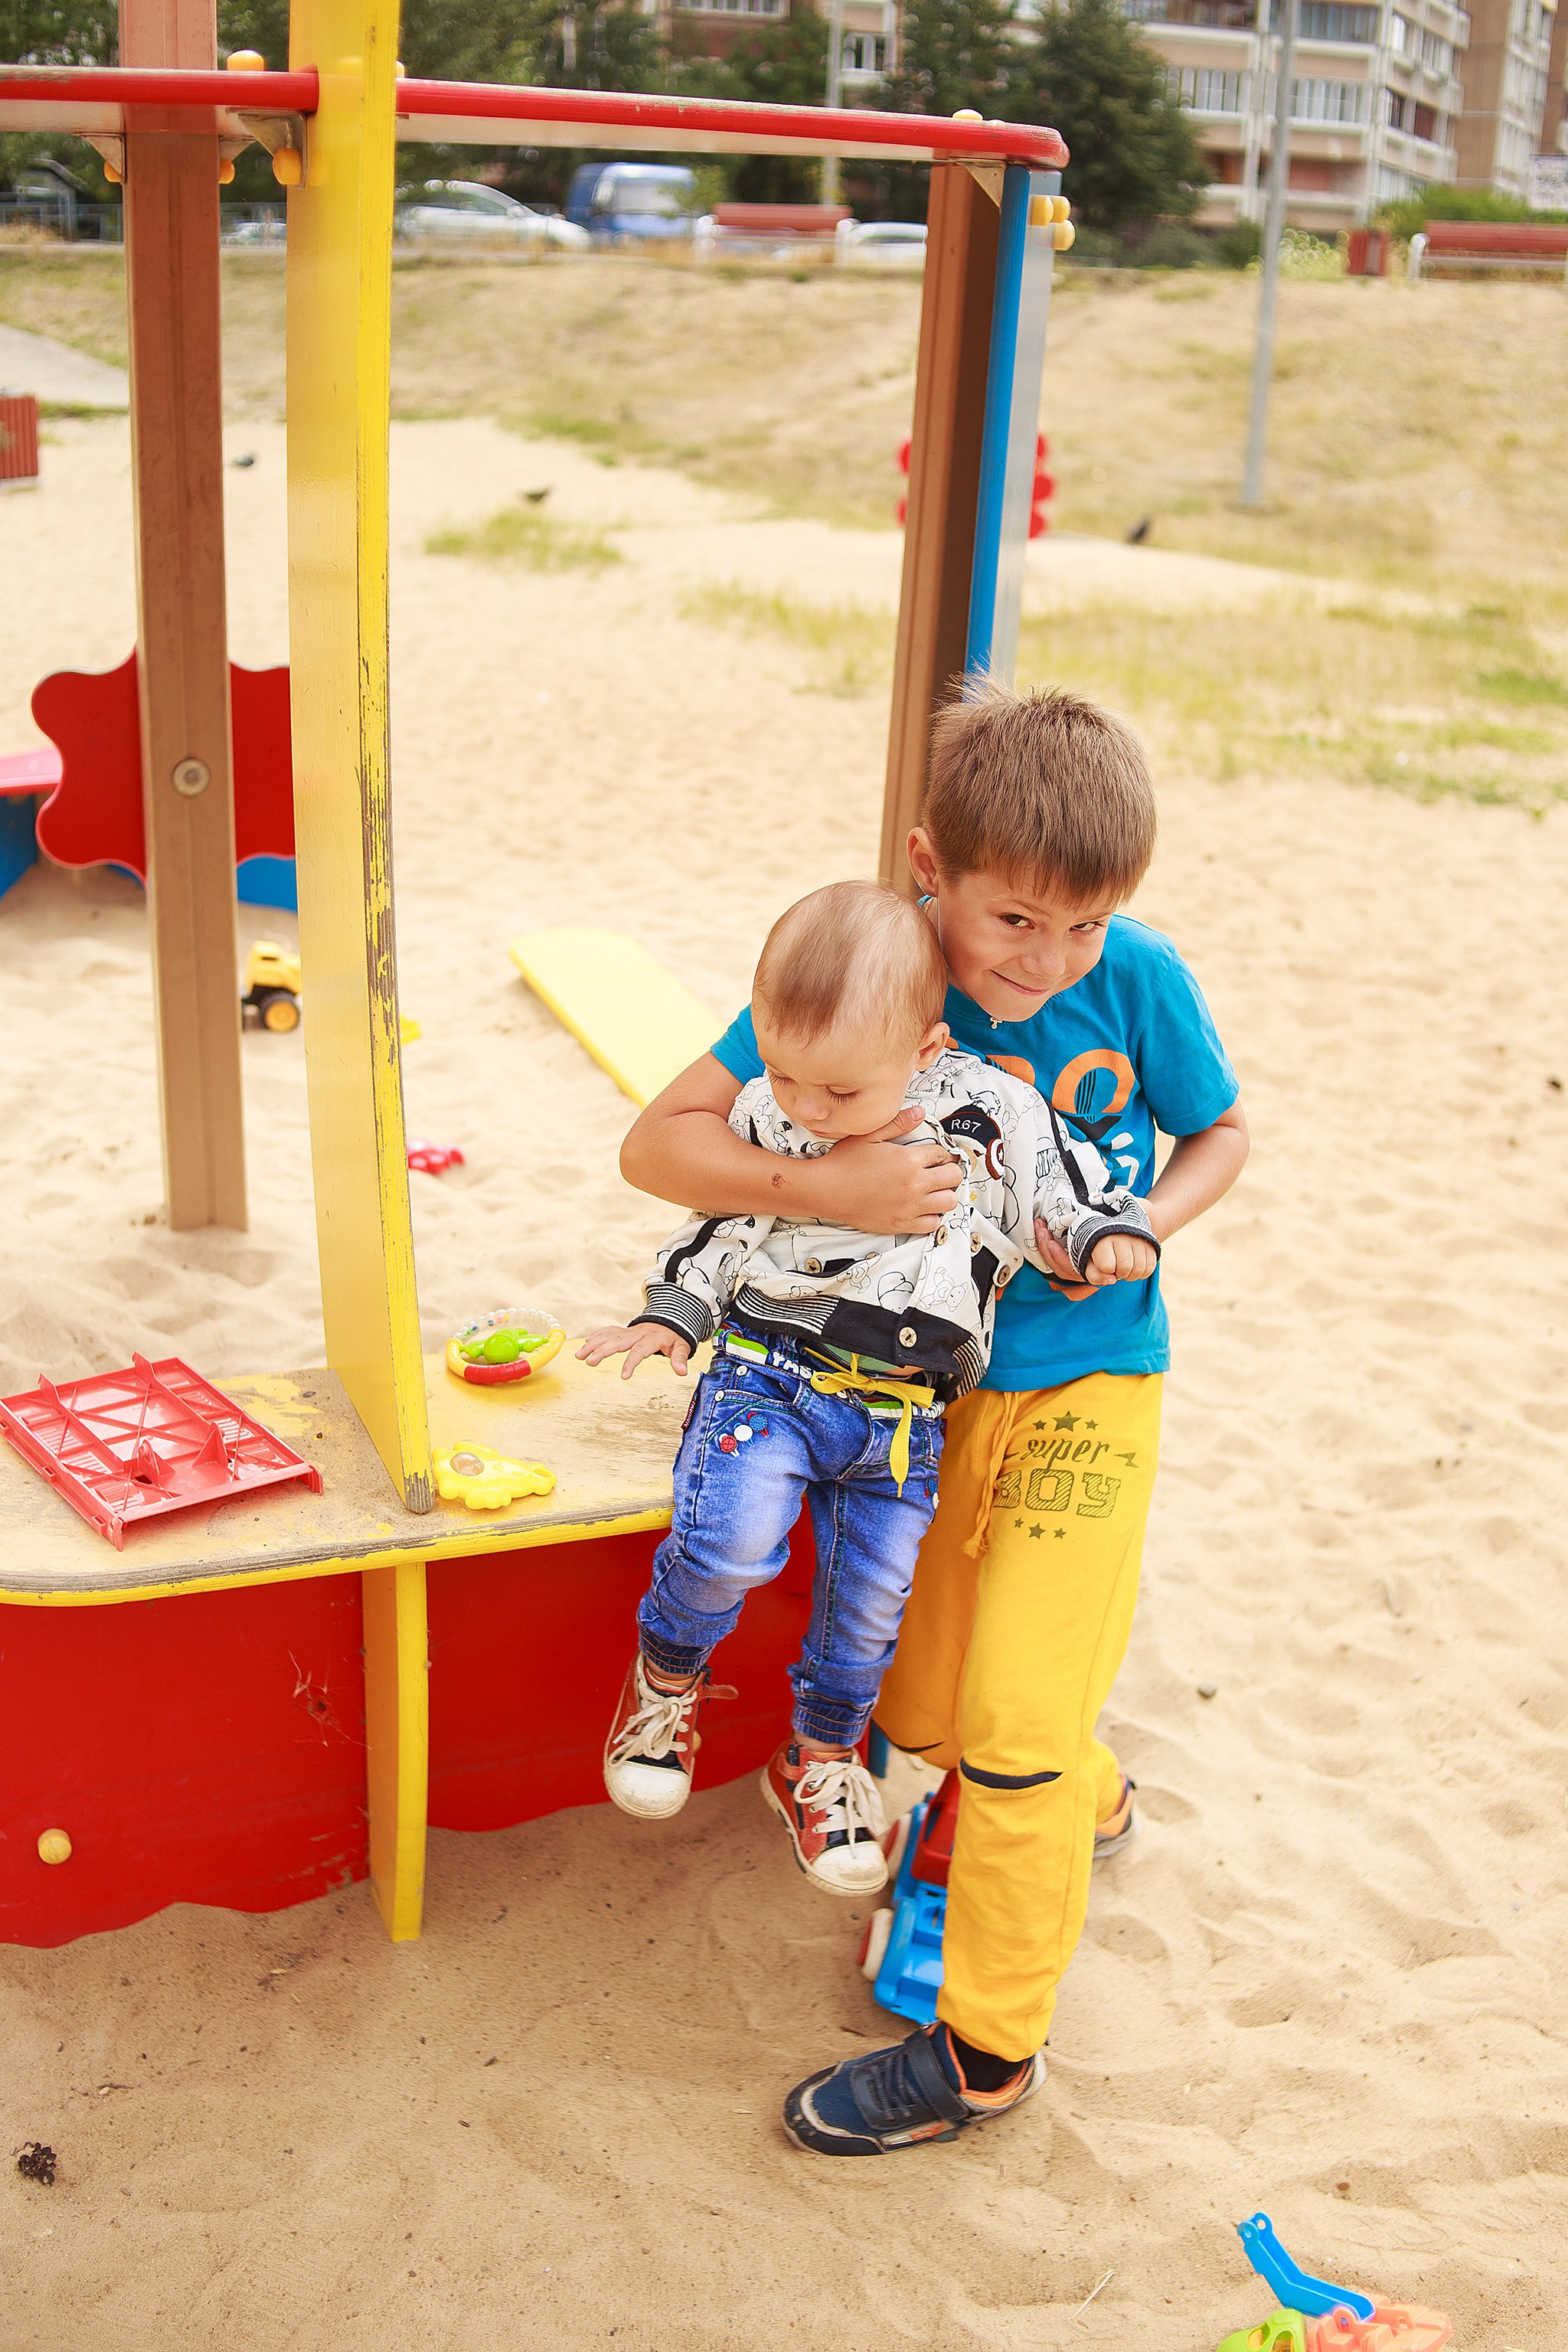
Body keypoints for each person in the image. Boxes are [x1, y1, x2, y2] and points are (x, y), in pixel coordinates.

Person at [617, 684, 1249, 2153]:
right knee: (925, 1708)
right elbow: (661, 1141)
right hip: (906, 1393)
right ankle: (1087, 1795)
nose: (1052, 959)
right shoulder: (877, 969)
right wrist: (825, 1189)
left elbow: (1219, 1127)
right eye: (1017, 919)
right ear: (932, 868)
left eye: (1084, 925)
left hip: (1093, 1384)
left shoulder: (1137, 976)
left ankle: (981, 2060)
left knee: (1014, 1727)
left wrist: (1139, 1223)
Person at [580, 875, 1158, 1901]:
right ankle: (664, 1683)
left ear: (925, 1053)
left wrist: (1100, 1234)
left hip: (902, 1419)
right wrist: (675, 1312)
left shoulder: (996, 1112)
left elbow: (1050, 1195)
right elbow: (723, 1222)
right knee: (731, 1540)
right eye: (790, 1078)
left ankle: (823, 1759)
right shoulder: (773, 1108)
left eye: (839, 1094)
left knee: (867, 1615)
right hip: (770, 1372)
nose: (806, 1108)